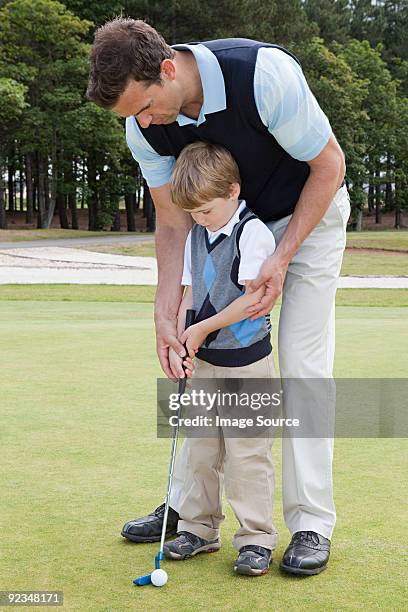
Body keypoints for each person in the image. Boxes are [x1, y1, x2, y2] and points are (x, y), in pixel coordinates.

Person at [87, 18, 350, 575]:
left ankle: (310, 523)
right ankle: (187, 510)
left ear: (167, 68)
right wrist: (165, 310)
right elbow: (169, 220)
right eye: (129, 116)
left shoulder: (263, 74)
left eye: (144, 106)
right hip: (217, 226)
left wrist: (280, 257)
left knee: (301, 363)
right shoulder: (144, 128)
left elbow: (329, 166)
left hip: (309, 214)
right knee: (198, 358)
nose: (140, 122)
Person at [163, 140, 277, 575]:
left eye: (206, 210)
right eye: (193, 213)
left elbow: (251, 301)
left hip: (247, 362)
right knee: (201, 449)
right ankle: (199, 528)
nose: (200, 219)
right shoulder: (196, 235)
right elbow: (191, 293)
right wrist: (178, 335)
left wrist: (202, 329)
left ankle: (255, 539)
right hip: (205, 362)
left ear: (233, 191)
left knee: (248, 452)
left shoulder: (254, 233)